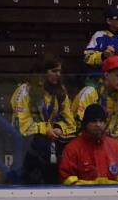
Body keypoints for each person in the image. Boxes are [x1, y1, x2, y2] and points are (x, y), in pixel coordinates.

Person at [10, 54, 76, 185]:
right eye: (54, 71)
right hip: (27, 144)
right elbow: (21, 125)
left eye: (59, 71)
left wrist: (59, 128)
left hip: (52, 143)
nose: (58, 75)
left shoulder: (60, 91)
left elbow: (71, 123)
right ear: (42, 72)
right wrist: (46, 130)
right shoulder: (25, 91)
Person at [59, 104, 118, 185]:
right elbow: (67, 179)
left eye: (101, 121)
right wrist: (94, 189)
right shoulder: (72, 149)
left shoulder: (117, 147)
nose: (98, 124)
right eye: (94, 121)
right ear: (85, 124)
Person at [72, 55, 118, 140]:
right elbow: (78, 123)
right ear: (106, 75)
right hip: (87, 143)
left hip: (111, 144)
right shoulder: (89, 93)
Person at [84, 4, 118, 72]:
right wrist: (103, 55)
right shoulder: (98, 35)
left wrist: (116, 54)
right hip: (100, 79)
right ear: (109, 21)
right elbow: (87, 58)